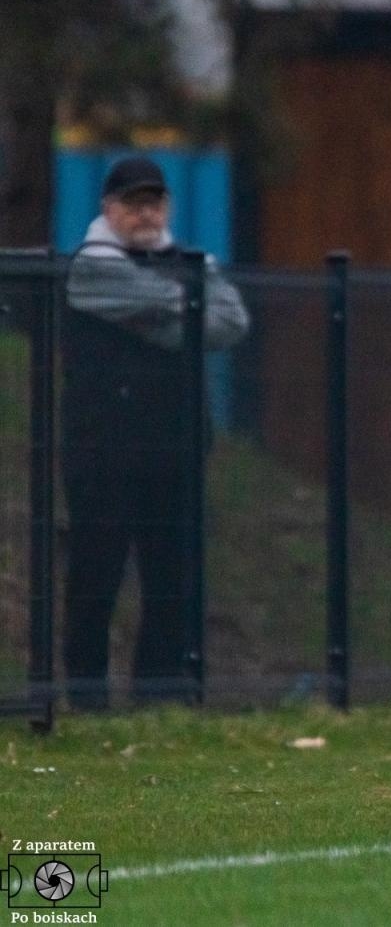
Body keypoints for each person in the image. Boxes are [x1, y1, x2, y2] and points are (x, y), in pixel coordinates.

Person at [61, 156, 250, 709]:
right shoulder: (90, 264)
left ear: (166, 206)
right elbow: (116, 299)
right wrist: (185, 301)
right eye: (133, 203)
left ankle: (159, 698)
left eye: (154, 202)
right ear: (108, 208)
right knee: (96, 576)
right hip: (102, 452)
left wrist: (161, 307)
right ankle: (85, 698)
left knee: (172, 580)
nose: (145, 213)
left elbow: (233, 320)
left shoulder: (191, 260)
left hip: (175, 448)